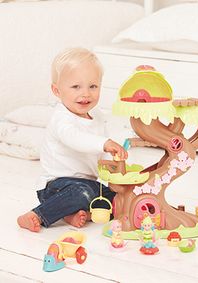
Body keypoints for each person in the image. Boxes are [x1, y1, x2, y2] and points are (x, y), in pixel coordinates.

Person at [17, 47, 128, 232]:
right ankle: (37, 214)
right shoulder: (62, 118)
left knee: (118, 199)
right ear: (57, 91)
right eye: (76, 87)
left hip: (89, 184)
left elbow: (101, 154)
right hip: (56, 186)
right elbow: (76, 139)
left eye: (93, 86)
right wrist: (105, 143)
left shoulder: (98, 116)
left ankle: (74, 214)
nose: (85, 93)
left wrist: (114, 167)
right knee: (81, 194)